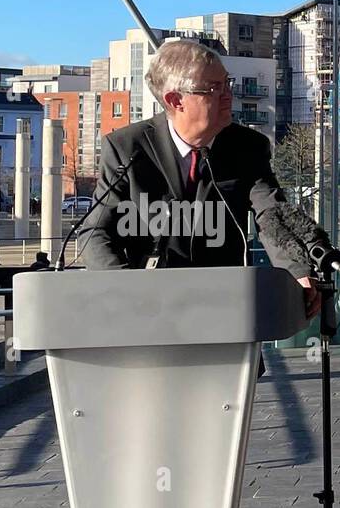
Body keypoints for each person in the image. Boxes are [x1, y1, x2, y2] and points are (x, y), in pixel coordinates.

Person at [79, 38, 322, 318]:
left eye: (227, 83)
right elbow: (95, 232)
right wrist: (125, 290)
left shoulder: (248, 147)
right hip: (149, 314)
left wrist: (298, 270)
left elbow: (270, 214)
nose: (229, 95)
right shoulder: (126, 148)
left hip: (225, 312)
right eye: (214, 89)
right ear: (175, 100)